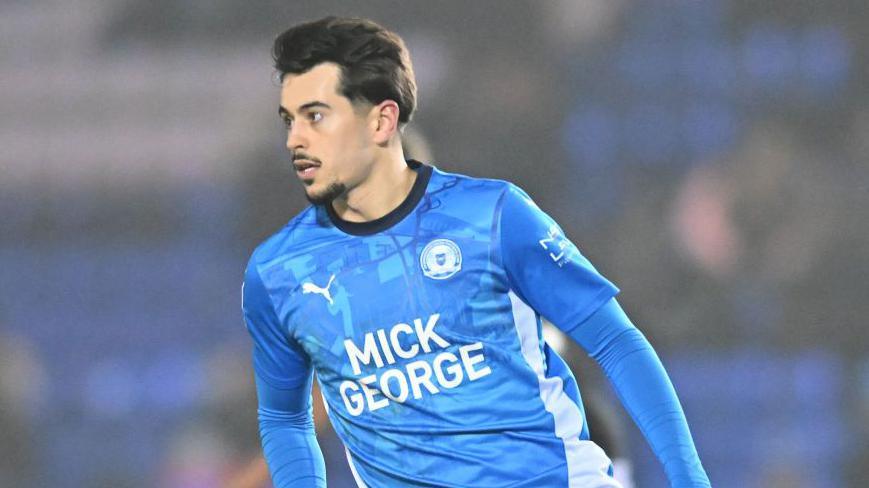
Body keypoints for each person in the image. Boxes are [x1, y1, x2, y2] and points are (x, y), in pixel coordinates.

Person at [242, 16, 710, 487]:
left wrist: (689, 478)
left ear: (383, 119)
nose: (295, 139)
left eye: (316, 116)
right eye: (290, 119)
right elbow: (287, 421)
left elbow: (617, 343)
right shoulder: (278, 272)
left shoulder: (493, 215)